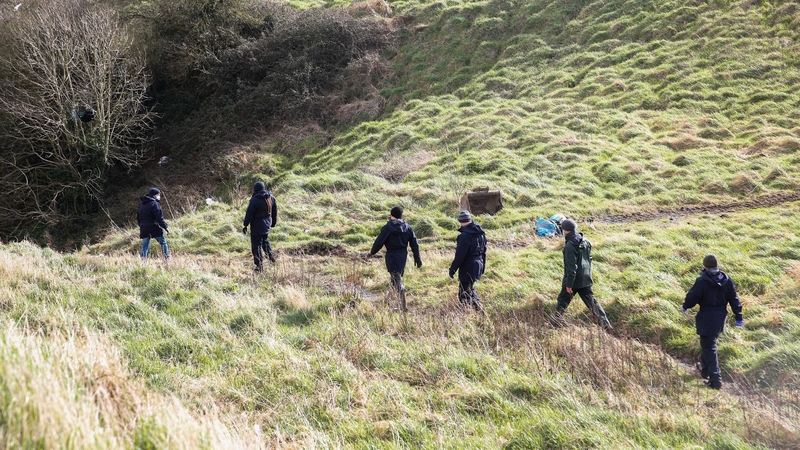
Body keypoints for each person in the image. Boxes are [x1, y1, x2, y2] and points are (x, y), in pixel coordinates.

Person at [682, 254, 743, 390]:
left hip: (706, 316)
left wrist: (685, 306)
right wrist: (739, 316)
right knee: (708, 343)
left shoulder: (702, 281)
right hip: (721, 317)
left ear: (705, 266)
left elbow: (693, 296)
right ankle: (704, 371)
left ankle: (716, 380)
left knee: (709, 347)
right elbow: (734, 299)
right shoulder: (727, 280)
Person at [554, 219, 611, 329]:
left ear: (565, 230)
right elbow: (589, 259)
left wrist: (569, 284)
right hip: (585, 278)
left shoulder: (570, 246)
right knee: (593, 303)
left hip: (573, 281)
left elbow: (571, 268)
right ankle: (606, 325)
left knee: (562, 301)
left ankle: (556, 323)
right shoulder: (585, 241)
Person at [368, 206, 422, 312]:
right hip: (402, 256)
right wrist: (417, 258)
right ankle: (388, 301)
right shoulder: (407, 227)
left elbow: (379, 242)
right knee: (395, 278)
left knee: (397, 280)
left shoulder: (388, 228)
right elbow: (414, 243)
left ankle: (403, 307)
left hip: (392, 256)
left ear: (391, 215)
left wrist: (372, 252)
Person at [448, 211, 487, 313]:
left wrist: (453, 269)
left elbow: (460, 256)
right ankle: (479, 310)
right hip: (479, 263)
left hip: (468, 266)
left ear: (460, 221)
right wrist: (483, 267)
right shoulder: (481, 233)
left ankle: (470, 312)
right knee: (469, 288)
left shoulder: (464, 236)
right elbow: (484, 251)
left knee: (464, 292)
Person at [243, 181, 278, 272]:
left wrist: (245, 224)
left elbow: (249, 214)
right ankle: (272, 257)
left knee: (256, 245)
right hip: (267, 224)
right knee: (265, 241)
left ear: (255, 189)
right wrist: (273, 223)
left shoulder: (254, 200)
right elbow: (274, 212)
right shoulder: (271, 198)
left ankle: (259, 266)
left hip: (257, 226)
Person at [137, 188, 169, 259]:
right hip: (154, 227)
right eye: (158, 194)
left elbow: (138, 217)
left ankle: (143, 262)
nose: (159, 196)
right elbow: (159, 218)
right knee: (163, 243)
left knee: (144, 246)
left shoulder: (141, 204)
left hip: (144, 228)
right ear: (154, 195)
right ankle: (166, 259)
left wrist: (141, 226)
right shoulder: (154, 204)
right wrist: (165, 227)